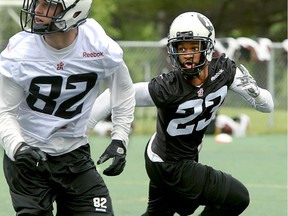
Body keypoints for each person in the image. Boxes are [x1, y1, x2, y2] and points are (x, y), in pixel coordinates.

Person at [88, 12, 274, 215]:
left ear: (208, 47)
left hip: (165, 157)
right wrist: (78, 134)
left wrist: (256, 94)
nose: (187, 54)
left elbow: (268, 106)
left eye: (194, 47)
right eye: (181, 48)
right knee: (238, 198)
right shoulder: (167, 86)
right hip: (171, 164)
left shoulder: (224, 71)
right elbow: (111, 95)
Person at [0, 0, 135, 215]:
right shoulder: (20, 52)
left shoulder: (98, 45)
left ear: (74, 11)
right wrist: (18, 147)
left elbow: (124, 90)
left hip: (74, 155)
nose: (36, 11)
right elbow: (4, 111)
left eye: (47, 5)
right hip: (29, 156)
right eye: (36, 3)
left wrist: (120, 137)